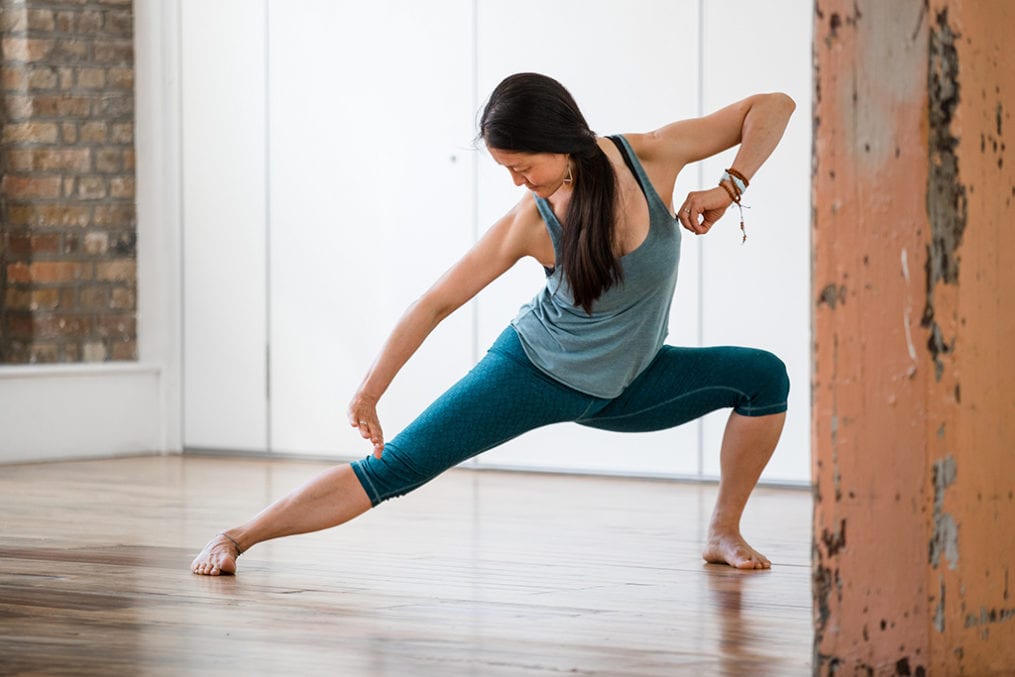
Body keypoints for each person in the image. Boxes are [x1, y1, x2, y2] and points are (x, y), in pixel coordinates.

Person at [192, 72, 795, 576]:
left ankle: (722, 532)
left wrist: (729, 185)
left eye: (522, 165)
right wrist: (371, 390)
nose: (516, 181)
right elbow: (434, 302)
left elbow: (773, 106)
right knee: (395, 470)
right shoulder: (530, 222)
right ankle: (239, 536)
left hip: (629, 384)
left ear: (563, 142)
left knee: (763, 378)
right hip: (533, 372)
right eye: (506, 169)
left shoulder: (651, 155)